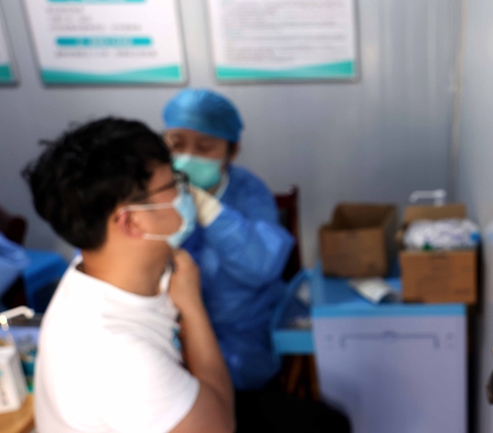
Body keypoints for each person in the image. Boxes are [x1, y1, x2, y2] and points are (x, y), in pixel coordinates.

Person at [23, 118, 234, 432]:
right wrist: (193, 309)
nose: (185, 192)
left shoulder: (96, 268)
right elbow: (221, 426)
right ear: (133, 222)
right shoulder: (116, 357)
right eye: (173, 184)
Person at [161, 88, 295, 392]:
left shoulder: (248, 192)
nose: (187, 157)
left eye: (205, 147)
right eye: (176, 144)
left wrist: (210, 211)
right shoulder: (154, 189)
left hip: (240, 338)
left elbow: (262, 264)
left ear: (232, 152)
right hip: (167, 332)